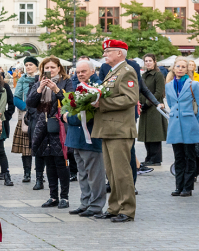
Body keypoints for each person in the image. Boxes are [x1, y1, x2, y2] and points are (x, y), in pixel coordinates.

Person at [93, 39, 138, 222]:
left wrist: (101, 103)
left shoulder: (127, 71)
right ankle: (114, 207)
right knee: (111, 172)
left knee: (122, 172)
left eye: (108, 51)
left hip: (119, 129)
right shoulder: (113, 72)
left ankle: (127, 209)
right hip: (109, 128)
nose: (105, 54)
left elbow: (130, 98)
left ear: (120, 53)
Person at [27, 57, 76, 209]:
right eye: (46, 68)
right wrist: (40, 88)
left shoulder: (65, 82)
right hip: (43, 127)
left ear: (59, 68)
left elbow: (70, 101)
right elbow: (30, 103)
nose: (50, 70)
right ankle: (53, 196)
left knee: (61, 163)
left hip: (59, 126)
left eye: (53, 67)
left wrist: (56, 89)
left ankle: (64, 197)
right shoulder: (37, 82)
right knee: (49, 162)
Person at [65, 60, 106, 217]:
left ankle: (96, 205)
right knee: (82, 173)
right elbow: (69, 106)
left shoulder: (96, 88)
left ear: (92, 71)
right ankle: (85, 202)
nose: (80, 74)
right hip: (77, 137)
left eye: (83, 71)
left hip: (90, 136)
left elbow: (84, 115)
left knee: (94, 175)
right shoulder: (77, 86)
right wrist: (66, 114)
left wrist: (68, 117)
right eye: (78, 72)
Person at [165, 57, 199, 198]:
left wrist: (195, 122)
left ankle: (187, 187)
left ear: (187, 69)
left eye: (183, 66)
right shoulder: (169, 85)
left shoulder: (193, 84)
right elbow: (171, 104)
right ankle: (178, 186)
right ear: (174, 68)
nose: (181, 69)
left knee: (190, 157)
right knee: (178, 157)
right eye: (178, 66)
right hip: (175, 125)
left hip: (190, 125)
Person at [12, 58, 41, 185]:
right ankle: (27, 173)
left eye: (31, 65)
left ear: (37, 66)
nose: (28, 67)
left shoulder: (41, 78)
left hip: (40, 114)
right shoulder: (22, 79)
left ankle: (40, 174)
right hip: (26, 116)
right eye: (26, 65)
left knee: (41, 146)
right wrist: (27, 107)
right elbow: (16, 97)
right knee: (25, 148)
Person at [139, 54, 167, 166]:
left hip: (154, 108)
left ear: (155, 62)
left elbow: (158, 92)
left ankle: (156, 158)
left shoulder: (158, 75)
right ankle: (149, 157)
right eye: (146, 61)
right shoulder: (144, 75)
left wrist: (147, 103)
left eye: (150, 60)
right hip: (144, 108)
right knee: (146, 134)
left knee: (154, 134)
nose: (148, 62)